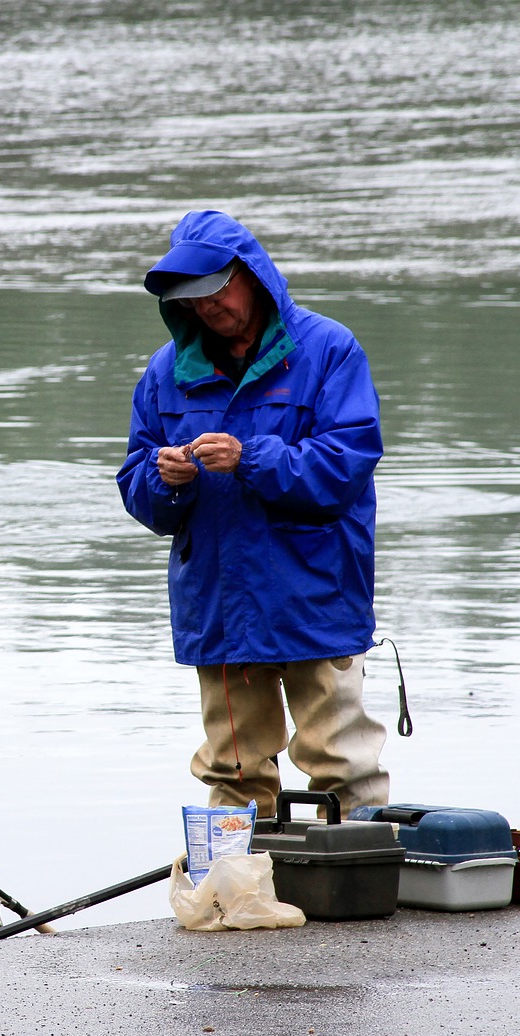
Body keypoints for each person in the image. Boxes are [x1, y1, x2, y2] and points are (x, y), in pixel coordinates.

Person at [117, 209, 389, 818]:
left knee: (341, 762)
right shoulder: (166, 373)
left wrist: (250, 457)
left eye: (216, 291)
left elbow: (345, 466)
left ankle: (360, 897)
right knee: (234, 769)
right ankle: (242, 892)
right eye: (192, 299)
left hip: (315, 593)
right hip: (220, 603)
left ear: (253, 276)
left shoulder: (328, 350)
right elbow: (138, 485)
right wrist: (167, 482)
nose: (207, 308)